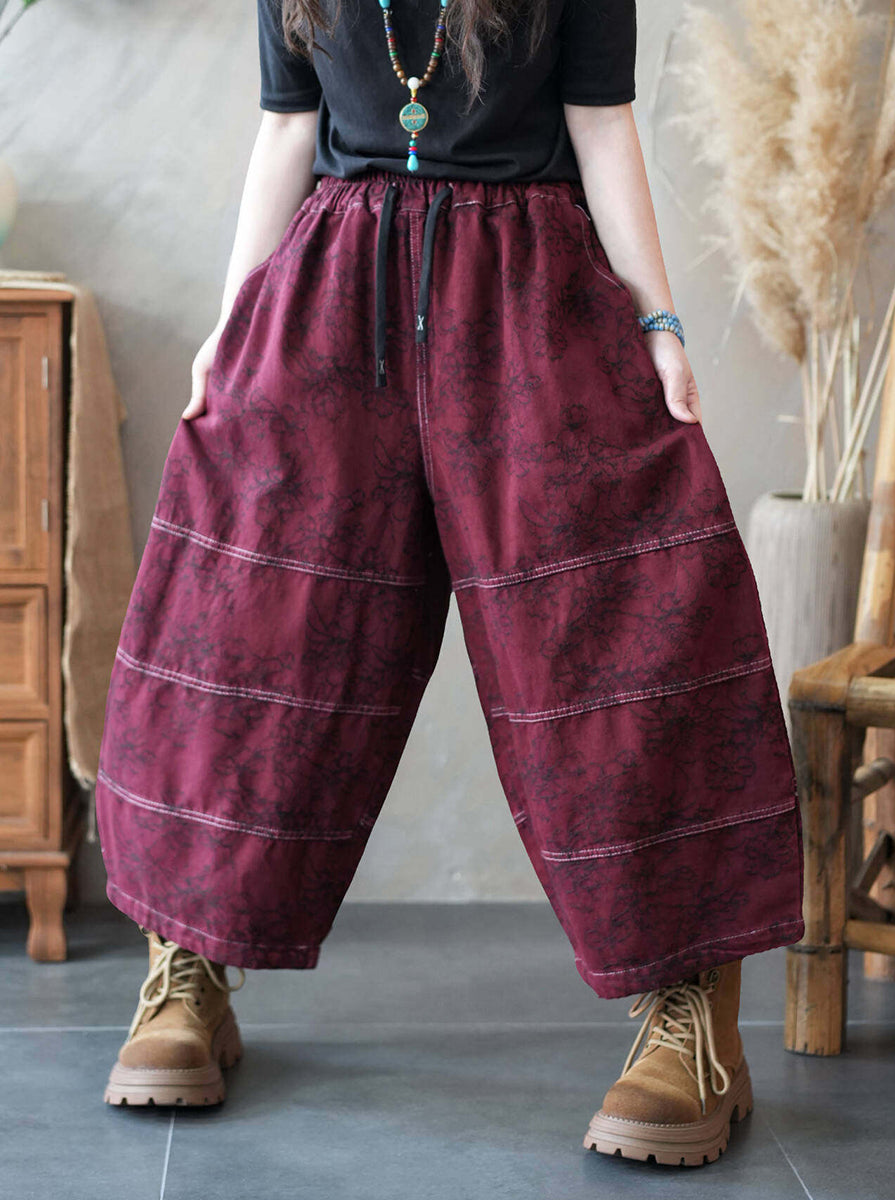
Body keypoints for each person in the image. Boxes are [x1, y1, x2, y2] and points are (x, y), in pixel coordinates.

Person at [96, 0, 805, 1168]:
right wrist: (230, 327)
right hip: (332, 290)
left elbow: (602, 123)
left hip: (532, 288)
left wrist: (661, 324)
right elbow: (289, 128)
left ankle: (692, 1018)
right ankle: (189, 965)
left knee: (624, 633)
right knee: (242, 624)